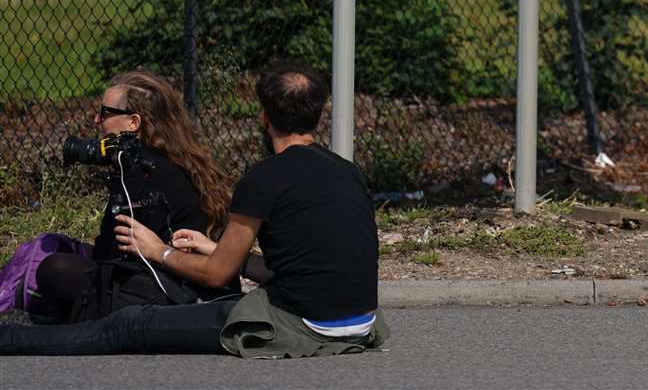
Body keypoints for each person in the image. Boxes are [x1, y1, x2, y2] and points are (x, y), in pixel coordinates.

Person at [0, 61, 388, 358]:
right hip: (361, 323)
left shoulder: (265, 178)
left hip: (304, 326)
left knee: (132, 326)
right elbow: (299, 268)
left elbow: (217, 276)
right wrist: (214, 250)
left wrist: (159, 252)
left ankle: (11, 339)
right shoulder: (346, 170)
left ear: (264, 117)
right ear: (318, 115)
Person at [28, 71, 235, 322]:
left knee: (56, 269)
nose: (96, 120)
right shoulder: (170, 161)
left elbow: (117, 252)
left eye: (105, 114)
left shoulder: (144, 172)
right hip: (164, 275)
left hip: (167, 289)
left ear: (133, 123)